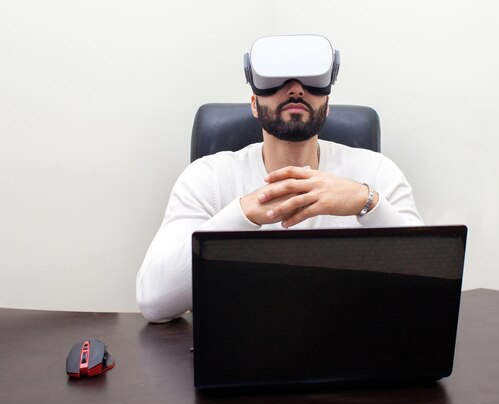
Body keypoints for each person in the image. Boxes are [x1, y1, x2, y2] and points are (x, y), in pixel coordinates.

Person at [137, 35, 423, 322]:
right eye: (279, 81)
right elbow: (154, 302)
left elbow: (427, 284)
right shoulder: (208, 178)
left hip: (355, 339)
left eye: (310, 81)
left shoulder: (377, 172)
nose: (296, 90)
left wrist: (367, 201)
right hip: (239, 344)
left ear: (327, 104)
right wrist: (243, 214)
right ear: (253, 104)